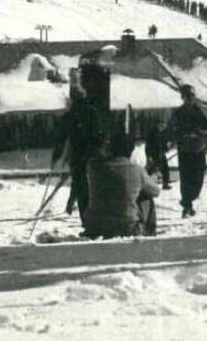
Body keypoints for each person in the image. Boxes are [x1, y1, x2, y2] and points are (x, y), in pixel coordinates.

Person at [82, 131, 160, 239]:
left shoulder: (93, 166)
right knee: (146, 196)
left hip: (95, 225)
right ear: (131, 151)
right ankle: (150, 235)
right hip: (125, 227)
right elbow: (155, 191)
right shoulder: (136, 169)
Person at [51, 73, 106, 222]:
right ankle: (98, 218)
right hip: (95, 156)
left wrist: (55, 157)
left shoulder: (69, 115)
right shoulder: (94, 112)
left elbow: (60, 139)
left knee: (81, 187)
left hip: (78, 156)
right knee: (95, 186)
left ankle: (85, 219)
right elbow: (101, 135)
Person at [168, 84, 207, 217]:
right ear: (183, 97)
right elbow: (172, 129)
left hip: (199, 148)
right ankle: (187, 205)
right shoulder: (178, 113)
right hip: (185, 149)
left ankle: (189, 200)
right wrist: (179, 136)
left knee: (198, 179)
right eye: (187, 96)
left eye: (192, 96)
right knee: (186, 178)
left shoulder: (201, 110)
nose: (190, 99)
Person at [144, 122, 171, 189]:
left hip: (161, 154)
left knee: (165, 170)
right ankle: (143, 183)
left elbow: (164, 144)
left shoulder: (163, 134)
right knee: (150, 170)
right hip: (154, 155)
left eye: (164, 126)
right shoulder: (152, 134)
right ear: (158, 125)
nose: (164, 127)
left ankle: (165, 184)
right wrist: (149, 156)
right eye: (162, 126)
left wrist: (166, 149)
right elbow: (148, 146)